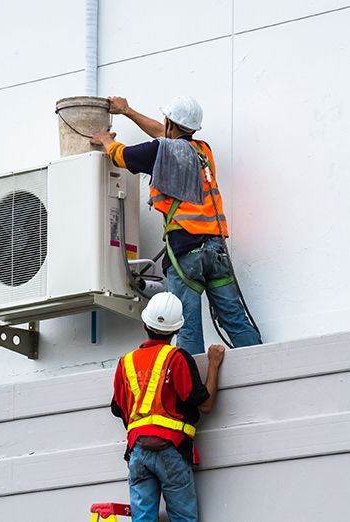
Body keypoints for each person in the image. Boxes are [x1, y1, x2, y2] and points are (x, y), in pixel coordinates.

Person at [90, 95, 261, 355]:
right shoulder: (203, 151)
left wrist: (105, 140)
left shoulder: (160, 151)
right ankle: (261, 366)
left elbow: (122, 157)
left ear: (169, 121)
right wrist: (128, 111)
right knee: (234, 319)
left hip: (186, 251)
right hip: (216, 250)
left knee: (188, 327)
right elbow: (167, 135)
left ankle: (191, 385)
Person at [110, 292, 225, 522]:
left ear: (145, 323)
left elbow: (118, 408)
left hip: (138, 451)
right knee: (183, 517)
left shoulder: (126, 363)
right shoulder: (177, 357)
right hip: (170, 449)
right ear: (177, 330)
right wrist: (213, 364)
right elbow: (206, 404)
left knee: (142, 518)